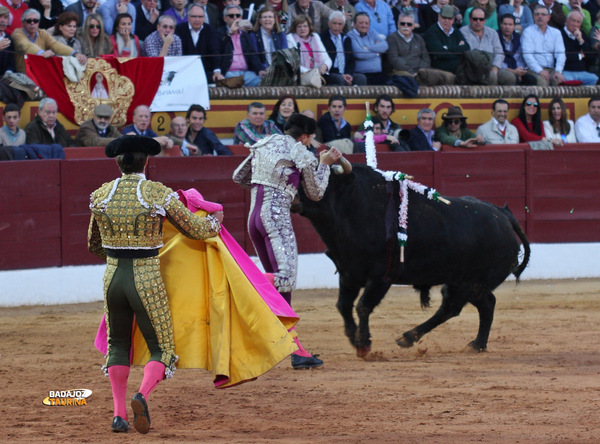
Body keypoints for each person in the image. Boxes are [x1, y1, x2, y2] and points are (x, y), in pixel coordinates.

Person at [88, 135, 224, 434]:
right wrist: (216, 219)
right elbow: (197, 230)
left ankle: (119, 415)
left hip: (112, 278)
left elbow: (93, 244)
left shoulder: (100, 195)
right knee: (161, 348)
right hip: (146, 277)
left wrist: (117, 255)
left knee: (118, 345)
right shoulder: (156, 194)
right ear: (146, 161)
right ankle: (142, 395)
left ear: (117, 162)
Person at [232, 113, 344, 369]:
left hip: (254, 220)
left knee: (281, 288)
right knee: (286, 278)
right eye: (310, 139)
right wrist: (324, 163)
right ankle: (241, 280)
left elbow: (238, 177)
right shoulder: (299, 151)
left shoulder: (264, 143)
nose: (309, 143)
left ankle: (298, 351)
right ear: (304, 136)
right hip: (275, 220)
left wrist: (271, 184)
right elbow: (315, 193)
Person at [12, 8, 87, 73]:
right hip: (23, 74)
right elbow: (26, 45)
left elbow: (55, 45)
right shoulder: (17, 33)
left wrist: (74, 53)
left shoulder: (42, 33)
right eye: (29, 21)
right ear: (23, 23)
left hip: (40, 73)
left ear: (38, 22)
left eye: (35, 21)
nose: (32, 23)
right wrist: (42, 53)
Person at [459, 7, 516, 85]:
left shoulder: (492, 33)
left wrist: (495, 68)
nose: (478, 22)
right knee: (491, 77)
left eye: (481, 19)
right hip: (471, 69)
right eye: (475, 19)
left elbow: (499, 53)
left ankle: (502, 97)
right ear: (470, 19)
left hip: (491, 67)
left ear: (485, 20)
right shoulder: (462, 32)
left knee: (510, 77)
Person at [215, 5, 265, 87]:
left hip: (246, 74)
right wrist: (230, 33)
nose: (235, 18)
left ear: (241, 17)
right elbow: (218, 50)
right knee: (236, 84)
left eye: (237, 16)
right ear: (225, 19)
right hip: (229, 73)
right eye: (231, 16)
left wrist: (260, 69)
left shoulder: (245, 35)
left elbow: (252, 55)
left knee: (263, 81)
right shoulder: (219, 33)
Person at [521, 4, 566, 86]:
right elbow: (527, 55)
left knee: (559, 80)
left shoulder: (556, 32)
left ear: (548, 17)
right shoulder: (528, 32)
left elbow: (561, 53)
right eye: (537, 14)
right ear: (534, 17)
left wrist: (558, 71)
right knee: (542, 82)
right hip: (534, 69)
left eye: (543, 14)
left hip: (552, 69)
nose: (540, 17)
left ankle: (557, 100)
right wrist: (540, 71)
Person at [320, 10, 367, 86]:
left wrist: (348, 74)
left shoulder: (346, 39)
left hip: (345, 72)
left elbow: (351, 60)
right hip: (330, 73)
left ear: (343, 25)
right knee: (340, 79)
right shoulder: (322, 38)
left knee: (361, 78)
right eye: (334, 23)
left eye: (340, 24)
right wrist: (342, 76)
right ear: (329, 23)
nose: (337, 26)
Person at [176, 4, 220, 82]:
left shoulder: (210, 30)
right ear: (188, 17)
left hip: (205, 72)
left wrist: (217, 71)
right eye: (194, 16)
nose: (197, 20)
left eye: (200, 17)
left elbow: (214, 52)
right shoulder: (179, 30)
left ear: (204, 17)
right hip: (184, 72)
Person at [424, 4, 470, 76]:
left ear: (454, 18)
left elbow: (466, 48)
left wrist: (447, 48)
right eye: (444, 17)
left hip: (458, 69)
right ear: (439, 16)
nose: (446, 21)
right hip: (440, 69)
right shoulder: (432, 31)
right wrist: (458, 52)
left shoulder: (455, 30)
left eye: (450, 18)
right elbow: (439, 53)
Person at [347, 12, 389, 85]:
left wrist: (368, 48)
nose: (364, 25)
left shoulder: (372, 33)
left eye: (366, 23)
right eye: (361, 23)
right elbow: (359, 54)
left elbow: (385, 45)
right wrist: (377, 53)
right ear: (354, 24)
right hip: (361, 74)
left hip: (377, 73)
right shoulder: (350, 35)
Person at [287, 15, 332, 79]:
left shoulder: (315, 36)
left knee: (338, 79)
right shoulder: (290, 38)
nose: (302, 29)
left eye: (305, 26)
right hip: (302, 75)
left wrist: (325, 66)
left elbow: (327, 59)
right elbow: (293, 64)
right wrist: (311, 72)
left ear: (309, 27)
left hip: (320, 74)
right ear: (295, 28)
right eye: (299, 26)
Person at [497, 13, 537, 85]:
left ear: (514, 26)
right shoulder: (496, 37)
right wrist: (513, 71)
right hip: (502, 69)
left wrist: (520, 71)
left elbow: (519, 58)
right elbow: (497, 59)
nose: (507, 27)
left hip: (516, 69)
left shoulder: (518, 38)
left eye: (510, 24)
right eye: (505, 24)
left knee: (531, 80)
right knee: (512, 78)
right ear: (500, 24)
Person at [561, 11, 598, 86]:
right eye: (573, 20)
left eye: (578, 22)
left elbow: (591, 58)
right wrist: (580, 56)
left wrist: (581, 40)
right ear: (567, 21)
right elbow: (563, 57)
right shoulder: (559, 34)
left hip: (582, 72)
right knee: (568, 81)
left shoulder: (582, 36)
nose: (575, 24)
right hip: (566, 71)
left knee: (595, 80)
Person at [0, 6, 15, 76]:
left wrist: (9, 72)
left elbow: (11, 63)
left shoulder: (9, 39)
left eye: (5, 17)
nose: (2, 20)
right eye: (0, 17)